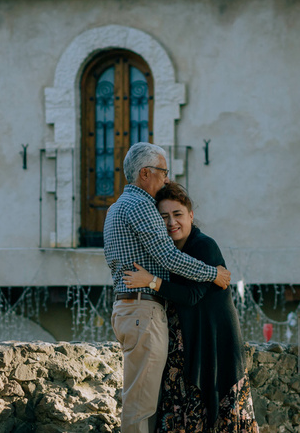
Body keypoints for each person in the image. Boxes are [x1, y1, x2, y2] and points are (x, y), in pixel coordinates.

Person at [103, 142, 232, 433]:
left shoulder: (115, 208)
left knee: (142, 398)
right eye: (163, 172)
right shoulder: (140, 205)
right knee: (141, 404)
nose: (167, 180)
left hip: (129, 309)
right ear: (145, 173)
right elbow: (169, 257)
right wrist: (214, 273)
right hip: (142, 311)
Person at [123, 181, 259, 433]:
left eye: (177, 214)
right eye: (164, 216)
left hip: (213, 342)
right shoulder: (168, 251)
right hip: (186, 341)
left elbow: (192, 295)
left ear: (191, 216)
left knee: (213, 410)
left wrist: (151, 282)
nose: (171, 222)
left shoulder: (203, 245)